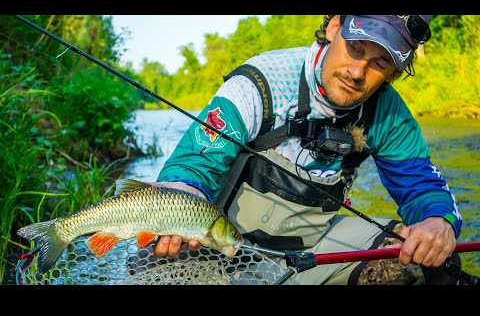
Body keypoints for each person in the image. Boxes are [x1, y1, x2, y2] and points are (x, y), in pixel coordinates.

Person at [149, 15, 463, 285]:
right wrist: (181, 190)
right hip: (218, 247)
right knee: (150, 260)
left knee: (428, 259)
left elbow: (421, 185)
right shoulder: (261, 82)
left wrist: (438, 221)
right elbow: (195, 163)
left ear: (394, 73)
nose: (357, 73)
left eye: (380, 62)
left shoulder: (387, 114)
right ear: (334, 27)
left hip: (313, 252)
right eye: (355, 47)